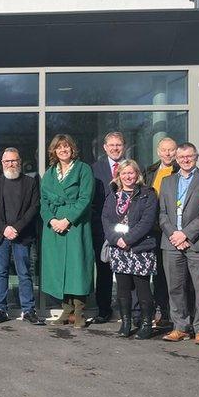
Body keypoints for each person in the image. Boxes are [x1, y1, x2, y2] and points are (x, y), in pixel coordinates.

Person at [158, 143, 199, 345]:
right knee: (175, 287)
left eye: (189, 156)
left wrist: (185, 234)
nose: (185, 160)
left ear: (196, 157)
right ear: (176, 158)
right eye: (181, 157)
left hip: (198, 242)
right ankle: (180, 327)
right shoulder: (167, 181)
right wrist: (174, 234)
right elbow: (162, 213)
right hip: (171, 242)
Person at [40, 134, 94, 329]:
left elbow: (85, 199)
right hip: (54, 225)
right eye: (59, 147)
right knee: (58, 267)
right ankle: (66, 310)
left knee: (77, 267)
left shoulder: (83, 169)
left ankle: (79, 311)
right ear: (54, 151)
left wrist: (67, 220)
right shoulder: (49, 173)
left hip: (75, 225)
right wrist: (52, 220)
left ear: (72, 149)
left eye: (66, 147)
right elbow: (43, 201)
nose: (63, 150)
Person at [102, 159, 160, 339]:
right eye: (124, 173)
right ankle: (125, 323)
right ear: (119, 175)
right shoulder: (113, 195)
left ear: (137, 174)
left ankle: (145, 324)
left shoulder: (147, 194)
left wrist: (127, 239)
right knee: (122, 288)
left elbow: (147, 221)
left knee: (143, 288)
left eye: (131, 173)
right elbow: (106, 219)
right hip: (118, 248)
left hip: (140, 248)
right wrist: (116, 240)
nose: (128, 176)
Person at [0, 147, 44, 325]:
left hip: (22, 234)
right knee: (0, 272)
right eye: (7, 161)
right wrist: (5, 228)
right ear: (2, 164)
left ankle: (28, 310)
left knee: (24, 273)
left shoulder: (30, 182)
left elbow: (34, 207)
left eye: (14, 160)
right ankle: (0, 310)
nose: (10, 164)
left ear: (19, 161)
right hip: (0, 234)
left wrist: (16, 228)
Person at [89, 132, 126, 323]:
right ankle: (104, 309)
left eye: (118, 144)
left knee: (127, 270)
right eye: (111, 145)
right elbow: (92, 202)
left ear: (124, 146)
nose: (115, 148)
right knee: (103, 271)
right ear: (104, 147)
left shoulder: (132, 168)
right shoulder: (94, 169)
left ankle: (129, 311)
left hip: (128, 229)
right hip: (102, 228)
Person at [146, 137, 178, 328]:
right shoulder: (151, 171)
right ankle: (160, 310)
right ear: (158, 152)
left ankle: (172, 313)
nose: (167, 153)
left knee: (172, 273)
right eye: (164, 150)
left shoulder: (179, 171)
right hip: (153, 229)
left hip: (171, 228)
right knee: (157, 272)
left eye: (171, 150)